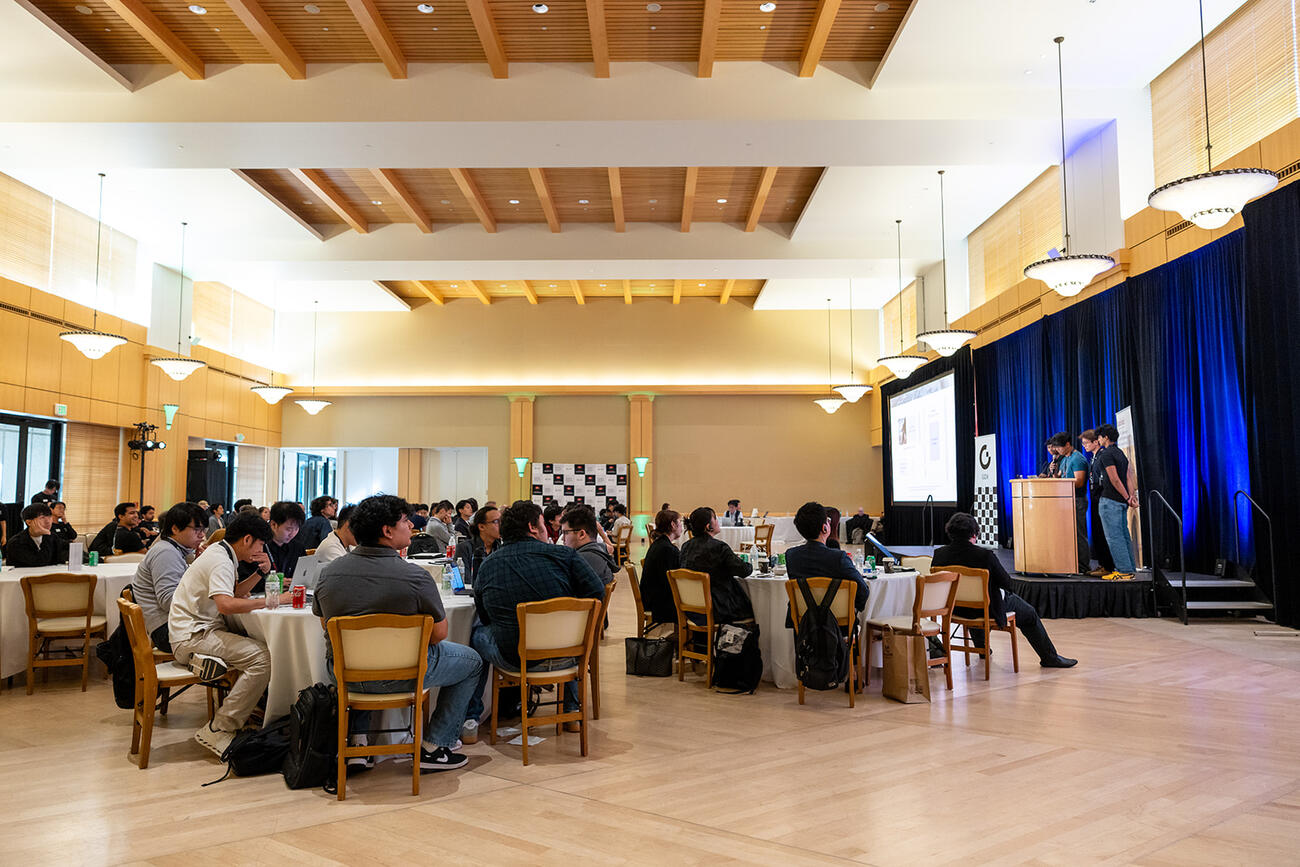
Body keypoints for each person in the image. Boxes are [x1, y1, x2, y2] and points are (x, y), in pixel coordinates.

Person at [314, 495, 481, 772]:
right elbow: (439, 634)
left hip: (346, 674)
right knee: (472, 661)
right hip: (402, 675)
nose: (411, 527)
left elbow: (325, 625)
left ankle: (357, 744)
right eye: (405, 521)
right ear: (387, 531)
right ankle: (436, 745)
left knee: (363, 654)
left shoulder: (329, 574)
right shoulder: (415, 577)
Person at [470, 500, 605, 728]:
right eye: (543, 524)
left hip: (515, 658)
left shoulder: (488, 565)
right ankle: (571, 710)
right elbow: (596, 593)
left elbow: (485, 615)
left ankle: (471, 719)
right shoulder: (565, 556)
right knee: (566, 628)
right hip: (567, 654)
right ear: (533, 527)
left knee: (476, 633)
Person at [168, 511, 274, 757]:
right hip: (192, 636)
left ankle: (248, 711)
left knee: (256, 644)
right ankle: (220, 728)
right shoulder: (220, 560)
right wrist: (269, 602)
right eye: (260, 544)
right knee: (262, 657)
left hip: (195, 630)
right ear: (247, 539)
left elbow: (233, 593)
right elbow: (226, 605)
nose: (260, 550)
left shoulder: (221, 553)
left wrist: (260, 572)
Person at [931, 512, 1076, 668]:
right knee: (1029, 614)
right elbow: (1007, 583)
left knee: (976, 602)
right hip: (986, 609)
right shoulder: (984, 556)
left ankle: (982, 649)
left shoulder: (939, 554)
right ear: (974, 533)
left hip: (955, 609)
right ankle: (1049, 657)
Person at [132, 502, 208, 653]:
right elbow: (168, 601)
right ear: (174, 528)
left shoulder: (174, 549)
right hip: (168, 630)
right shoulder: (166, 552)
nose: (202, 535)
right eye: (196, 529)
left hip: (173, 624)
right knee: (242, 643)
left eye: (203, 529)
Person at [783, 501, 867, 628]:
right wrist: (851, 609)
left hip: (805, 626)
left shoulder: (791, 556)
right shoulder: (838, 557)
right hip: (837, 626)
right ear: (825, 528)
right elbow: (863, 591)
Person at [680, 506, 754, 623]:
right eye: (715, 518)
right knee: (755, 607)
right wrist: (750, 563)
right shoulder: (719, 547)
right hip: (718, 609)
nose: (718, 521)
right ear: (708, 526)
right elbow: (744, 571)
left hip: (691, 610)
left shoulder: (685, 546)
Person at [1094, 424, 1138, 579]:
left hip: (1110, 500)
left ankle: (1124, 571)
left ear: (1105, 437)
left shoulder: (1106, 455)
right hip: (1121, 501)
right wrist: (1131, 497)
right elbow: (1129, 477)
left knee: (1114, 537)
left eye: (1099, 437)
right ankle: (1129, 568)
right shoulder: (1120, 453)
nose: (1098, 440)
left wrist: (1127, 497)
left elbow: (1115, 479)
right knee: (1124, 535)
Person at [1050, 432, 1091, 574]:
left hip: (1077, 500)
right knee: (1068, 534)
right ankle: (1071, 563)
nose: (1058, 451)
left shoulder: (1077, 459)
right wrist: (1054, 472)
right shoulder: (1065, 459)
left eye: (1060, 448)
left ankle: (1083, 566)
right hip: (1066, 500)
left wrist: (1062, 483)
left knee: (1079, 534)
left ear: (1067, 444)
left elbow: (1079, 482)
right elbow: (1060, 477)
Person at [1079, 429, 1114, 575]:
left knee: (1103, 533)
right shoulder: (1093, 458)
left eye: (1087, 443)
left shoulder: (1102, 456)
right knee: (1097, 533)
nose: (1084, 446)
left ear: (1096, 442)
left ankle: (1107, 566)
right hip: (1094, 498)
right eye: (1083, 443)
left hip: (1102, 498)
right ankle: (1102, 564)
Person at [640, 508, 682, 625]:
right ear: (673, 525)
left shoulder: (659, 544)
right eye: (680, 523)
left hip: (651, 597)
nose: (682, 527)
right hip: (658, 603)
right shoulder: (667, 549)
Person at [560, 504, 617, 585]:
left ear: (581, 534)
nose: (563, 538)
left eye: (566, 533)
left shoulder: (580, 561)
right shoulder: (600, 550)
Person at [3, 503, 67, 567]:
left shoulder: (53, 537)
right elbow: (39, 562)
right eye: (42, 517)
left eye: (50, 517)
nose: (48, 521)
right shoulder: (16, 542)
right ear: (29, 522)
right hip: (23, 576)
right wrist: (47, 535)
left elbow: (59, 559)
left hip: (48, 575)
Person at [454, 505, 499, 585]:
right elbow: (464, 579)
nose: (501, 525)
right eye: (496, 522)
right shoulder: (464, 548)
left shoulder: (501, 548)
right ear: (481, 527)